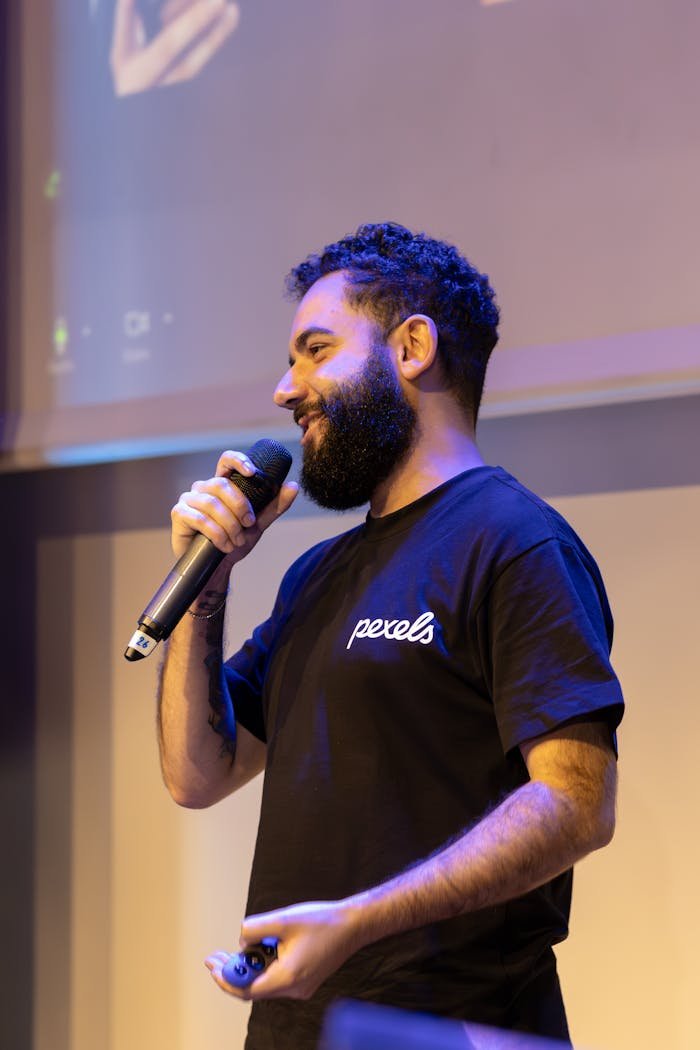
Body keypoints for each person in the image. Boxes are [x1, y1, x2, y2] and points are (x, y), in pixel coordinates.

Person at [157, 222, 624, 1049]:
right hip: (297, 1028)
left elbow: (576, 804)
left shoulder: (515, 543)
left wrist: (358, 922)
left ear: (411, 348)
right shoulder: (319, 575)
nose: (284, 388)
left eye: (315, 350)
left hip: (457, 1029)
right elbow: (199, 772)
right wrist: (207, 590)